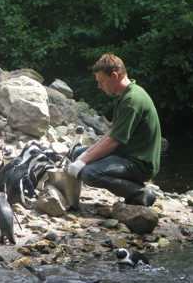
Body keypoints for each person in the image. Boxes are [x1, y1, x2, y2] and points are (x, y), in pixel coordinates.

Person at [65, 53, 161, 206]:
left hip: (139, 163)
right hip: (125, 155)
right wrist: (85, 155)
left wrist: (84, 162)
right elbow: (112, 132)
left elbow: (114, 141)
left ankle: (140, 193)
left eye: (101, 81)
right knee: (77, 154)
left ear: (115, 75)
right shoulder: (125, 95)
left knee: (89, 173)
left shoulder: (132, 100)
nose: (99, 86)